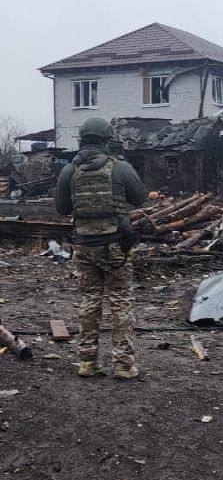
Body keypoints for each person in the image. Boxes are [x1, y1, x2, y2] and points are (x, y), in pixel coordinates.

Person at [55, 118, 146, 379]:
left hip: (83, 245)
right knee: (121, 303)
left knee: (89, 301)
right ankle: (123, 365)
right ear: (107, 139)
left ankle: (87, 363)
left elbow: (62, 209)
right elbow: (139, 200)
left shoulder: (69, 170)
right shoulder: (120, 167)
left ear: (81, 139)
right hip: (116, 246)